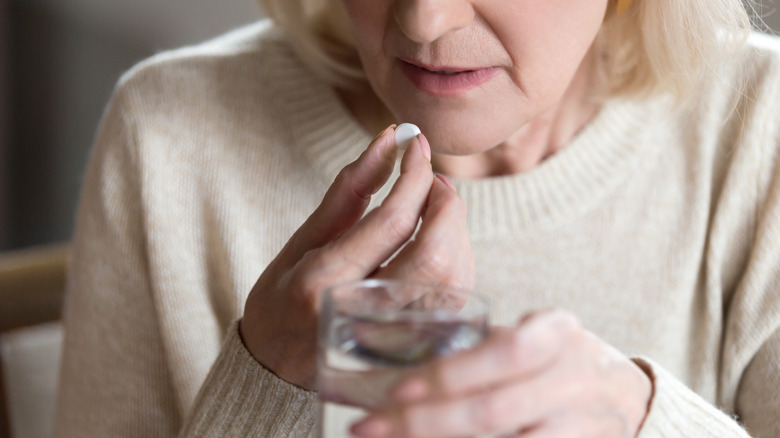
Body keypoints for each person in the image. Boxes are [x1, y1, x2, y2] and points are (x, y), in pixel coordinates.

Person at [54, 0, 780, 436]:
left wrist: (638, 416)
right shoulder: (172, 134)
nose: (424, 19)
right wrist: (268, 384)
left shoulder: (759, 124)